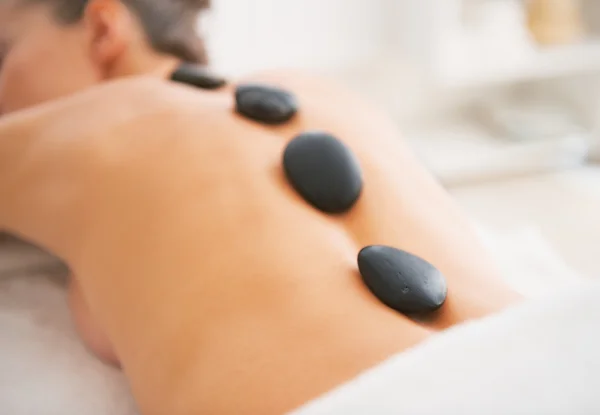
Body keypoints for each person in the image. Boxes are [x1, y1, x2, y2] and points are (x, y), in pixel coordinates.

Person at [0, 0, 521, 414]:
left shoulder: (79, 128)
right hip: (540, 365)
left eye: (3, 50)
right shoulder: (327, 93)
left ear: (102, 27)